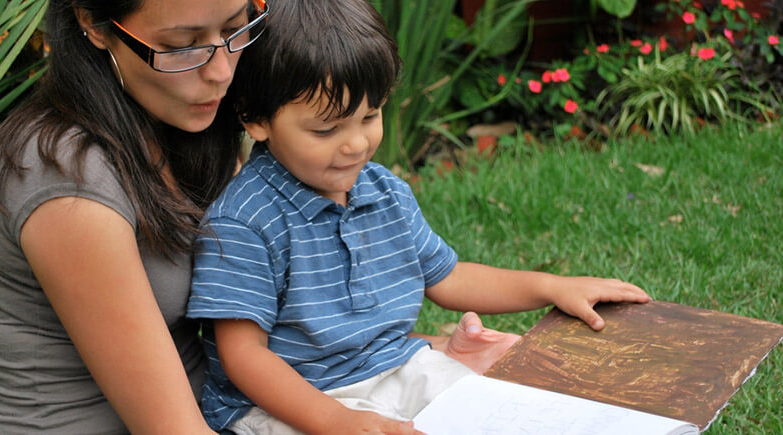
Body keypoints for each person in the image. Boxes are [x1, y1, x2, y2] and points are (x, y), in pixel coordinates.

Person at [186, 0, 651, 433]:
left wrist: (552, 286)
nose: (355, 145)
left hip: (398, 366)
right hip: (290, 400)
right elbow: (243, 356)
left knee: (492, 414)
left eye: (370, 116)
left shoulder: (383, 191)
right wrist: (335, 421)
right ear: (255, 119)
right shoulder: (246, 221)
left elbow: (447, 278)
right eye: (326, 129)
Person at [0, 0, 268, 432]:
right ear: (93, 22)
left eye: (235, 28)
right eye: (181, 44)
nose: (221, 71)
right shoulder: (66, 178)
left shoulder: (174, 120)